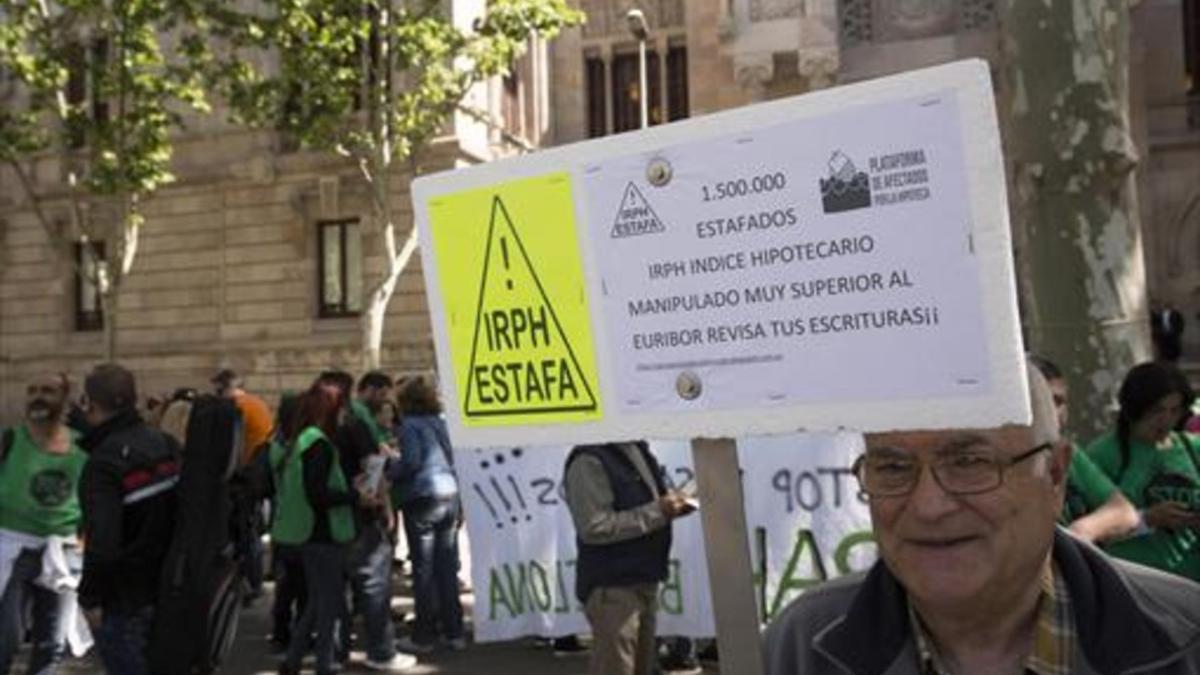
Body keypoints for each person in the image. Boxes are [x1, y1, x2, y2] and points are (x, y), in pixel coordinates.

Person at [764, 361, 1200, 674]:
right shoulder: (802, 646)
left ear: (1055, 475)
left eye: (970, 462)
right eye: (893, 468)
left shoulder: (1187, 636)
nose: (929, 506)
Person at [274, 382, 387, 675]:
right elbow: (319, 494)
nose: (344, 417)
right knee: (328, 607)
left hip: (309, 533)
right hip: (322, 533)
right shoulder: (319, 445)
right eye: (341, 410)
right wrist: (355, 496)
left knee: (317, 602)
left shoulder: (303, 440)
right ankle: (324, 666)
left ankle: (293, 661)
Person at [77, 364, 180, 675]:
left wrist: (90, 597)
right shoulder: (166, 444)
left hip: (126, 598)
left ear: (89, 404)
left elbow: (103, 542)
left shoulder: (103, 463)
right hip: (170, 586)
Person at [563, 440, 695, 675]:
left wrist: (672, 507)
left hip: (642, 579)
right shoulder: (589, 459)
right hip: (614, 586)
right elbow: (595, 527)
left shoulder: (636, 448)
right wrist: (660, 511)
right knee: (617, 667)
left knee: (639, 667)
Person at [315, 370, 414, 672]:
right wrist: (383, 506)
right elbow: (372, 466)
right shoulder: (354, 422)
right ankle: (381, 651)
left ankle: (335, 653)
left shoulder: (313, 426)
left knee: (334, 590)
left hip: (325, 517)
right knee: (373, 584)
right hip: (359, 512)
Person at [0, 374, 88, 674]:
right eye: (32, 390)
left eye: (48, 391)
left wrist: (84, 538)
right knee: (6, 638)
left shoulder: (83, 446)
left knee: (52, 644)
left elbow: (95, 496)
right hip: (10, 550)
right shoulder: (8, 440)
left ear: (64, 398)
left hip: (64, 552)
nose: (38, 397)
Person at [1086, 361, 1200, 581]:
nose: (1165, 420)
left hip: (1189, 583)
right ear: (1136, 408)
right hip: (1134, 583)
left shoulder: (1192, 449)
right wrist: (1147, 519)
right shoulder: (1103, 455)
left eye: (1174, 410)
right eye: (1157, 410)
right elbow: (1085, 531)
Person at [389, 376, 465, 653]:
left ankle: (424, 635)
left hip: (422, 496)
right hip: (449, 492)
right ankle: (454, 630)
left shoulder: (409, 426)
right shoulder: (441, 422)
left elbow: (411, 462)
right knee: (447, 567)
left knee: (423, 569)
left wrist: (390, 468)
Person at [1028, 355, 1139, 543]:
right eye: (1043, 401)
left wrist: (1078, 534)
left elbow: (1124, 512)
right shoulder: (1002, 455)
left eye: (1059, 401)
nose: (1053, 412)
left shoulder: (1068, 453)